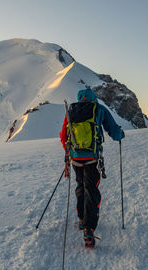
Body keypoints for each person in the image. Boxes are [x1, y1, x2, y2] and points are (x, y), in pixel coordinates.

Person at [59, 88, 125, 247]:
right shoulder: (99, 109)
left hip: (75, 158)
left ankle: (82, 219)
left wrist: (70, 153)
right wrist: (121, 135)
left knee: (80, 185)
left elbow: (63, 136)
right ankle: (89, 227)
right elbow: (114, 131)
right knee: (91, 189)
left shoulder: (72, 111)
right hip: (92, 158)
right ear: (93, 98)